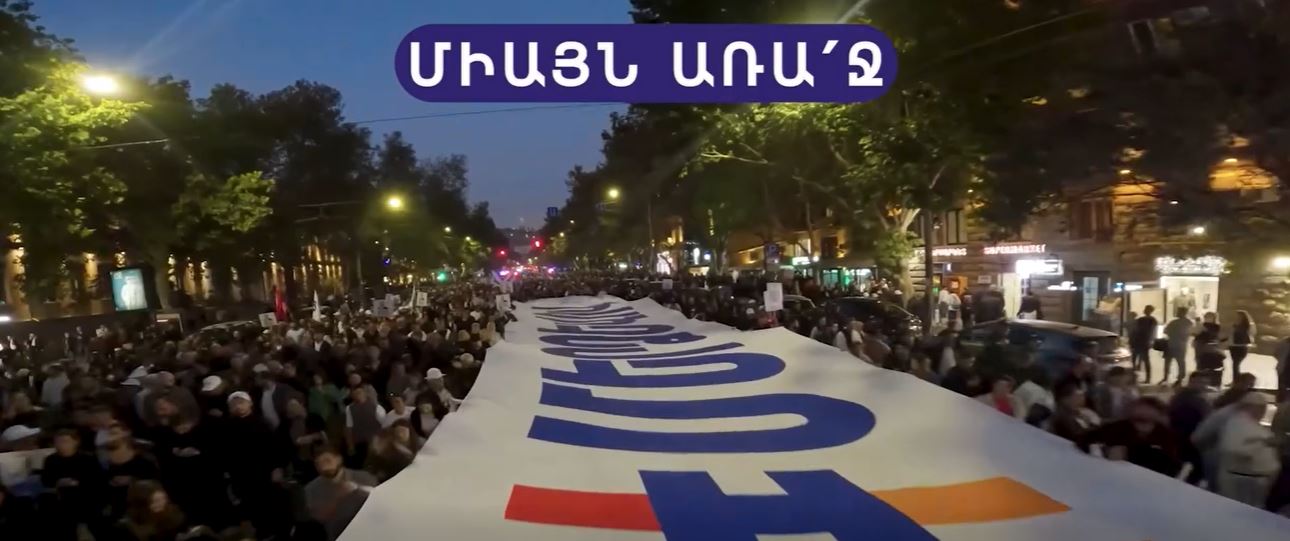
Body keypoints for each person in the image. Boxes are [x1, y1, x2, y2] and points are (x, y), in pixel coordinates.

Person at [1083, 397, 1181, 477]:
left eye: (1148, 419)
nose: (1142, 424)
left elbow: (1171, 464)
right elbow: (1084, 439)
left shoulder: (1166, 435)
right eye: (1139, 419)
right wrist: (1105, 451)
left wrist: (1129, 453)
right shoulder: (1118, 427)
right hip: (1114, 478)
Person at [1216, 393, 1279, 507]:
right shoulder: (1236, 424)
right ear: (1250, 407)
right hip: (1242, 480)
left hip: (1255, 481)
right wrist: (1264, 442)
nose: (1263, 412)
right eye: (1261, 408)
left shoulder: (1251, 424)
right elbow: (1234, 449)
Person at [305, 447, 379, 541]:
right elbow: (318, 519)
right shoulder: (311, 489)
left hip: (371, 530)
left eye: (327, 460)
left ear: (339, 459)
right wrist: (338, 497)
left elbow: (380, 501)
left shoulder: (364, 477)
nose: (324, 467)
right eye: (318, 463)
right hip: (339, 535)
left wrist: (358, 488)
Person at [1168, 373, 1213, 485]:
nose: (1203, 385)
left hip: (1191, 439)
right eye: (1200, 382)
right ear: (1191, 382)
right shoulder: (1187, 399)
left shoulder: (1199, 397)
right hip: (1188, 440)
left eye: (1205, 383)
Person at [117, 480, 187, 541]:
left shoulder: (172, 514)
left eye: (164, 498)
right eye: (156, 501)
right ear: (142, 505)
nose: (162, 504)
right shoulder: (126, 527)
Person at [344, 385, 385, 468]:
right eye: (354, 393)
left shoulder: (377, 407)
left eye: (359, 392)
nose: (357, 395)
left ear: (365, 393)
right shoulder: (349, 408)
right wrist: (350, 445)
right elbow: (349, 427)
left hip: (374, 442)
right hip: (359, 442)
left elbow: (385, 426)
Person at [1161, 307, 1194, 386]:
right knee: (1181, 362)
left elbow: (1165, 331)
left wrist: (1172, 334)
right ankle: (1180, 378)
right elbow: (1191, 332)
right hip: (1182, 344)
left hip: (1171, 344)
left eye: (1178, 311)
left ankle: (1165, 377)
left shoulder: (1173, 322)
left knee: (1168, 361)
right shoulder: (1189, 322)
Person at [1128, 306, 1158, 383]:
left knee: (1135, 359)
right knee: (1145, 360)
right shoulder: (1152, 320)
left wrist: (1131, 341)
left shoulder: (1141, 320)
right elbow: (1154, 332)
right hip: (1143, 342)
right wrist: (1151, 341)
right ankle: (1147, 378)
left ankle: (1133, 377)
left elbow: (1134, 331)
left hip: (1139, 342)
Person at [1229, 310, 1255, 378]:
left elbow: (1252, 334)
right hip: (1234, 346)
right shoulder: (1235, 325)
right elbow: (1231, 335)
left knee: (1236, 364)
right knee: (1235, 364)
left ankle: (1237, 379)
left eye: (1239, 316)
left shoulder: (1247, 325)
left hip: (1242, 347)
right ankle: (1236, 379)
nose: (1237, 317)